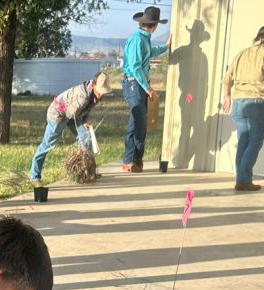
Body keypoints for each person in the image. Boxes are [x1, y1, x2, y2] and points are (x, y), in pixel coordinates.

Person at [221, 25, 264, 192]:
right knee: (255, 142)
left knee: (243, 141)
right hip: (258, 103)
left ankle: (241, 180)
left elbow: (227, 78)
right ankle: (244, 180)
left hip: (238, 103)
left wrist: (227, 96)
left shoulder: (242, 54)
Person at [29, 72, 111, 187]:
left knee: (86, 137)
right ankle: (34, 177)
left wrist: (84, 121)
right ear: (93, 85)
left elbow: (85, 109)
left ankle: (86, 173)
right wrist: (81, 121)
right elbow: (71, 114)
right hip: (58, 114)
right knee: (47, 144)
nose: (101, 95)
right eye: (100, 92)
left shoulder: (94, 94)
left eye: (104, 92)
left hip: (73, 114)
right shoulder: (83, 96)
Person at [121, 5, 169, 173]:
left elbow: (150, 52)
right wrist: (148, 88)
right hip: (134, 84)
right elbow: (135, 67)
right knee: (138, 123)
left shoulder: (144, 38)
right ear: (154, 26)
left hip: (138, 84)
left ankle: (134, 160)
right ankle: (131, 160)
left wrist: (166, 46)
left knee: (138, 123)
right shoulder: (137, 39)